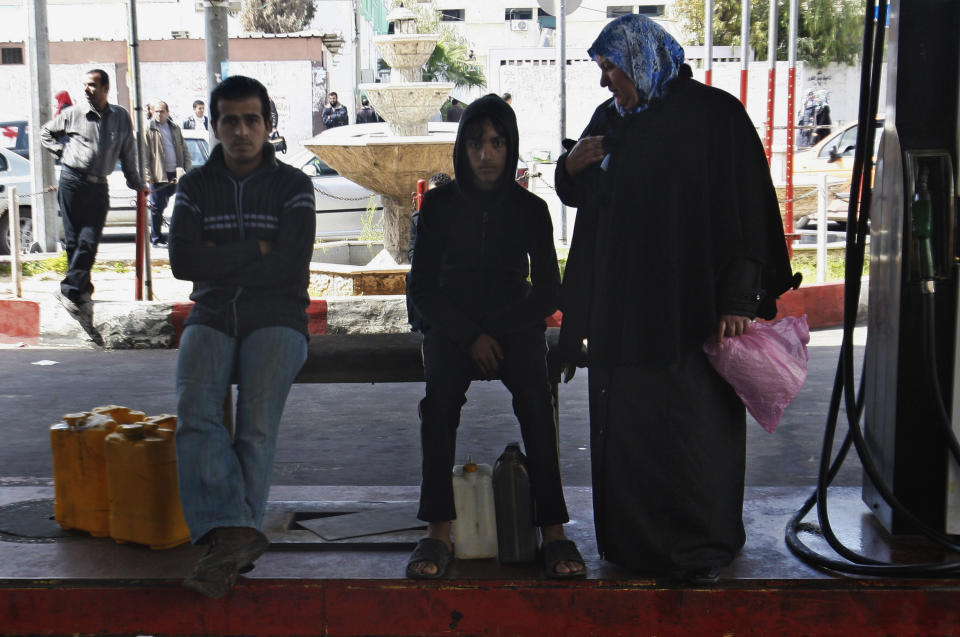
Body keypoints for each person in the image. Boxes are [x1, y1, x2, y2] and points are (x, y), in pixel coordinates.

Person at [555, 15, 796, 583]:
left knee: (692, 434)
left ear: (643, 59)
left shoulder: (716, 117)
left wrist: (740, 297)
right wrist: (570, 168)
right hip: (624, 314)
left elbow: (748, 211)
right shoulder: (611, 120)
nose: (604, 81)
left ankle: (699, 547)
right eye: (602, 68)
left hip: (695, 314)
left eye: (612, 67)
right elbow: (580, 197)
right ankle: (632, 545)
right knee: (629, 434)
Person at [406, 94, 586, 580]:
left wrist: (499, 331)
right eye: (476, 143)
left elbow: (549, 288)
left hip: (513, 324)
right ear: (462, 149)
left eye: (497, 143)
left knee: (535, 398)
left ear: (511, 148)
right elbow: (422, 287)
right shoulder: (440, 206)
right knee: (439, 402)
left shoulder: (531, 209)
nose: (486, 154)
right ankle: (438, 532)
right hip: (452, 324)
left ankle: (553, 531)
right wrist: (469, 337)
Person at [169, 75, 316, 599]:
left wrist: (225, 258)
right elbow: (182, 262)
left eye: (251, 119)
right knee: (194, 410)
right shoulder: (194, 186)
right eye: (229, 120)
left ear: (268, 125)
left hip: (278, 317)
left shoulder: (294, 186)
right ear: (214, 127)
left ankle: (228, 543)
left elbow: (290, 264)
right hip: (210, 315)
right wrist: (255, 249)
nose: (241, 130)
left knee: (255, 425)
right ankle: (237, 535)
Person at [39, 69, 145, 344]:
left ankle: (70, 288)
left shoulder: (121, 117)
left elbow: (128, 153)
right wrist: (63, 152)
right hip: (72, 181)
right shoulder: (74, 113)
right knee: (74, 241)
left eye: (92, 85)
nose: (87, 89)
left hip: (99, 185)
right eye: (84, 85)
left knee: (89, 240)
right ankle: (81, 292)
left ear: (105, 88)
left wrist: (137, 183)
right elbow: (46, 132)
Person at [406, 172, 451, 333]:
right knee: (412, 277)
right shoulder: (418, 218)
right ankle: (417, 325)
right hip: (427, 267)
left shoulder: (459, 218)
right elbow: (412, 249)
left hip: (453, 267)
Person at [143, 100, 191, 246]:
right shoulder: (148, 129)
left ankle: (179, 235)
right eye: (156, 111)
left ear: (168, 112)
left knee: (174, 205)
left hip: (176, 174)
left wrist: (186, 169)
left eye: (162, 111)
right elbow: (143, 153)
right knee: (157, 206)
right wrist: (147, 175)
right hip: (159, 175)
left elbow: (184, 149)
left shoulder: (174, 127)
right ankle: (156, 238)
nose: (159, 114)